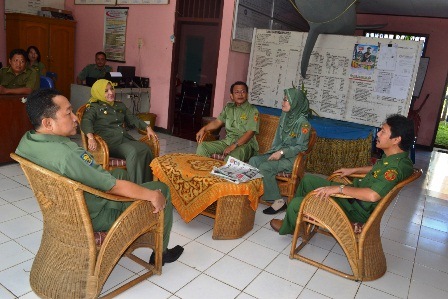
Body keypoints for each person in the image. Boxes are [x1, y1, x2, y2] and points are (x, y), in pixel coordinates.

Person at [16, 88, 183, 265]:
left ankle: (135, 210)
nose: (75, 118)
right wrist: (152, 195)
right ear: (48, 123)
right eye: (68, 113)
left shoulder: (27, 141)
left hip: (68, 209)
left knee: (120, 173)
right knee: (161, 190)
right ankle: (161, 253)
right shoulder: (68, 155)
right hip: (93, 215)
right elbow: (113, 187)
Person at [270, 114, 415, 235]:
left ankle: (289, 226)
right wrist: (353, 170)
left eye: (383, 131)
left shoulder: (395, 168)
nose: (378, 133)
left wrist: (338, 189)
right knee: (308, 180)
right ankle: (295, 222)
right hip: (354, 198)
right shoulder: (396, 157)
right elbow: (377, 168)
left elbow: (372, 195)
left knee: (297, 202)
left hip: (355, 209)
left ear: (396, 139)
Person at [81, 79, 157, 184]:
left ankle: (147, 184)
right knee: (133, 152)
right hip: (109, 143)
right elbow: (86, 121)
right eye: (106, 91)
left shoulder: (119, 105)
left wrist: (147, 128)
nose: (111, 93)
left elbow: (133, 118)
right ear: (98, 92)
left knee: (146, 149)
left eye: (112, 88)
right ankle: (135, 187)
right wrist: (90, 137)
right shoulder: (94, 107)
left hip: (124, 138)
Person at [249, 87, 311, 214]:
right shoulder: (285, 116)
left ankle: (279, 202)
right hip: (278, 153)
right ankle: (253, 191)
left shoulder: (303, 124)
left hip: (292, 159)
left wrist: (282, 153)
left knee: (265, 167)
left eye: (287, 100)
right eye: (283, 99)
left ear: (296, 103)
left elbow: (301, 147)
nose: (283, 102)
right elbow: (278, 139)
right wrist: (274, 152)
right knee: (254, 160)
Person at [196, 81, 259, 162]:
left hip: (245, 145)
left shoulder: (252, 110)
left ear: (247, 95)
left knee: (231, 158)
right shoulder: (228, 108)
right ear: (231, 96)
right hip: (228, 141)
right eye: (237, 92)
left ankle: (221, 174)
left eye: (243, 92)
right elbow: (217, 122)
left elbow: (250, 133)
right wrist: (204, 129)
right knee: (202, 147)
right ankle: (201, 172)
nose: (240, 94)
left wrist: (234, 145)